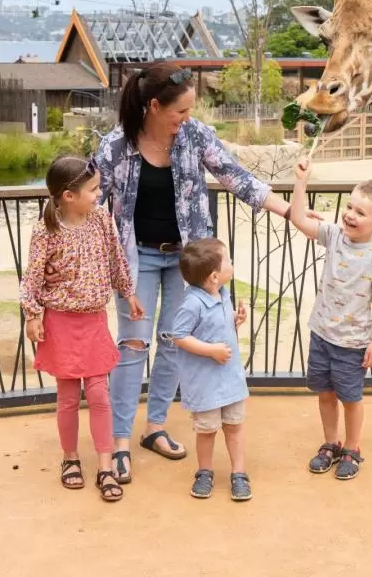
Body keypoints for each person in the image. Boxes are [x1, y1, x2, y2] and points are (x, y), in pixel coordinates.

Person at [69, 61, 305, 485]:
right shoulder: (117, 145)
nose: (187, 118)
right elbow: (86, 200)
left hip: (187, 262)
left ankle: (154, 427)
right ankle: (119, 439)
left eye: (191, 110)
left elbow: (237, 178)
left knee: (175, 343)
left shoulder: (195, 138)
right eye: (180, 111)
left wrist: (290, 211)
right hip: (135, 259)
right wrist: (62, 242)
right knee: (133, 344)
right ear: (154, 106)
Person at [20, 155, 145, 503]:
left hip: (93, 319)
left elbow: (115, 257)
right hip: (60, 321)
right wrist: (32, 314)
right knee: (68, 396)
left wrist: (128, 291)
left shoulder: (101, 219)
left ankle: (105, 465)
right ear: (67, 196)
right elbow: (32, 276)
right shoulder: (45, 230)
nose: (98, 194)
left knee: (100, 393)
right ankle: (70, 457)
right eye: (92, 190)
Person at [288, 158, 372, 480]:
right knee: (325, 393)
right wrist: (301, 181)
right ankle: (330, 443)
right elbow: (297, 219)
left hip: (352, 342)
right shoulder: (333, 235)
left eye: (361, 212)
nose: (350, 215)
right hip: (321, 333)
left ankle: (353, 447)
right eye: (349, 207)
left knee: (351, 398)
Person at [163, 238, 252, 501]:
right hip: (206, 383)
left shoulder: (222, 294)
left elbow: (216, 327)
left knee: (234, 425)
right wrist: (211, 350)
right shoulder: (192, 303)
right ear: (214, 276)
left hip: (230, 379)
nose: (231, 262)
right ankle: (204, 472)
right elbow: (179, 335)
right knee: (207, 429)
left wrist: (235, 321)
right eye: (227, 260)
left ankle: (238, 472)